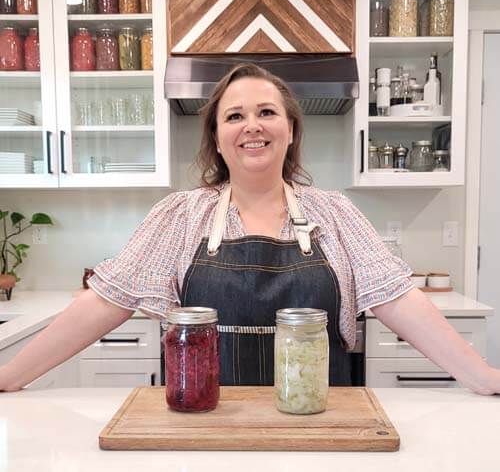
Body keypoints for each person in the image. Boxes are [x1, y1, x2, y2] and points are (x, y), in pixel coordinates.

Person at [1, 63, 499, 393]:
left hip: (319, 420)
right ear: (218, 138)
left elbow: (398, 298)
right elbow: (105, 301)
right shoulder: (180, 215)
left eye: (266, 112)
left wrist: (482, 376)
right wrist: (9, 376)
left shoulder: (336, 213)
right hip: (206, 418)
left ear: (290, 130)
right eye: (234, 116)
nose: (252, 125)